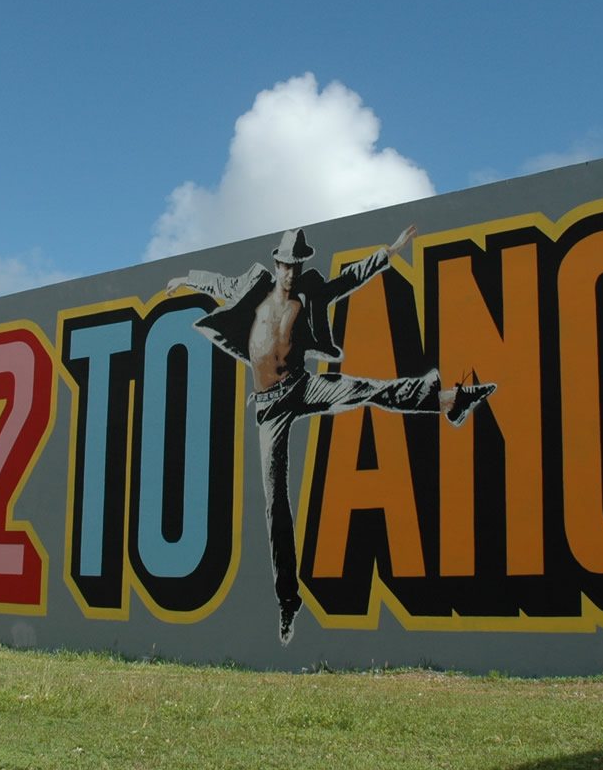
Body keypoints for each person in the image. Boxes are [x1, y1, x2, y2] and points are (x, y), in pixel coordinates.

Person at [166, 225, 495, 644]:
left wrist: (389, 251)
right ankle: (289, 602)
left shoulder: (310, 294)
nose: (290, 272)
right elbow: (218, 284)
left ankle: (450, 400)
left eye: (296, 266)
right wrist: (185, 278)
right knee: (274, 503)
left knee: (368, 390)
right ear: (276, 263)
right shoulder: (252, 287)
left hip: (303, 386)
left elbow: (348, 280)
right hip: (269, 408)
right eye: (285, 265)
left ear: (301, 266)